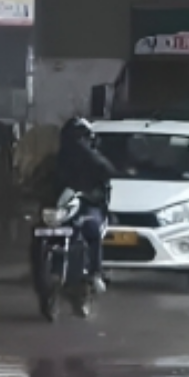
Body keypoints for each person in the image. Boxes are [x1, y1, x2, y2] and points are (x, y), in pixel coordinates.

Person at [52, 117, 118, 293]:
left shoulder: (93, 159)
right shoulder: (56, 159)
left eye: (79, 137)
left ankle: (94, 272)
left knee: (92, 229)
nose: (76, 142)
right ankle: (54, 269)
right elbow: (40, 179)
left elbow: (108, 172)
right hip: (62, 207)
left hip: (88, 206)